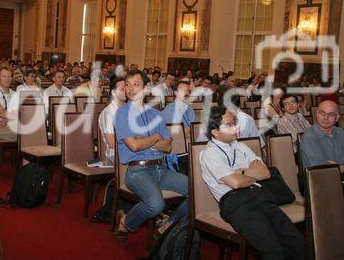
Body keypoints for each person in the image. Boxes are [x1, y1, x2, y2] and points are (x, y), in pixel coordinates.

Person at [200, 106, 304, 260]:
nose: (236, 127)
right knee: (273, 251)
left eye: (234, 122)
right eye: (229, 125)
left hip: (262, 196)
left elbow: (265, 173)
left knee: (297, 243)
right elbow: (235, 183)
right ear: (215, 132)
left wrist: (241, 173)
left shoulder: (241, 146)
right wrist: (248, 174)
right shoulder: (209, 153)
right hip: (236, 203)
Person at [114, 70, 188, 244]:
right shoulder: (122, 114)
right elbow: (134, 145)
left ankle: (167, 225)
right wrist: (155, 138)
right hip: (137, 171)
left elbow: (168, 146)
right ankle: (126, 223)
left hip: (161, 169)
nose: (131, 89)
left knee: (196, 191)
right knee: (156, 204)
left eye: (136, 84)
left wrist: (144, 141)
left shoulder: (156, 114)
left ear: (146, 88)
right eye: (128, 85)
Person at [300, 100, 344, 168]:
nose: (325, 118)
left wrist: (338, 167)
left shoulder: (341, 132)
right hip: (321, 178)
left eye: (331, 114)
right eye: (322, 113)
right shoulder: (309, 137)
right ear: (317, 114)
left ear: (337, 117)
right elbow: (323, 169)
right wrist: (340, 167)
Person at [98, 77, 126, 165]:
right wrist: (135, 146)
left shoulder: (129, 109)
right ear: (113, 93)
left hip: (129, 151)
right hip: (115, 155)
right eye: (122, 89)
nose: (127, 91)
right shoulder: (109, 112)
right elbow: (111, 142)